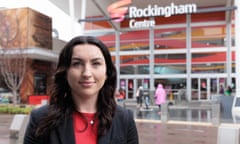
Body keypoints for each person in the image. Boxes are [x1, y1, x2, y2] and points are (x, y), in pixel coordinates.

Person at [23, 36, 139, 144]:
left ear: (107, 73)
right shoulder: (40, 118)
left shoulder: (124, 119)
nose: (87, 73)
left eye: (96, 63)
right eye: (77, 64)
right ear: (65, 72)